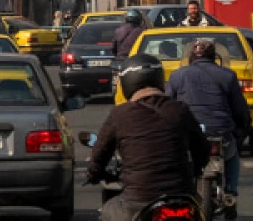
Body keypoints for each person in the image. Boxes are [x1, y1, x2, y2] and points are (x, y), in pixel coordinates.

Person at [87, 56, 209, 221]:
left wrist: (94, 173)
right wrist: (195, 169)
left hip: (139, 200)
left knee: (108, 211)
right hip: (183, 196)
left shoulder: (119, 115)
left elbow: (99, 155)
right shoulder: (180, 110)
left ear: (126, 82)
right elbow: (203, 150)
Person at [167, 39, 251, 211]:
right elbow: (240, 109)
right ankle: (231, 192)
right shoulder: (227, 75)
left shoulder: (177, 75)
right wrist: (243, 128)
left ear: (191, 56)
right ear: (214, 56)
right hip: (221, 132)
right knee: (232, 156)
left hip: (188, 133)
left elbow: (167, 105)